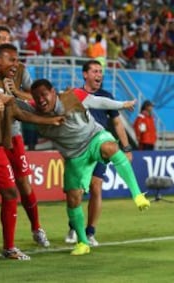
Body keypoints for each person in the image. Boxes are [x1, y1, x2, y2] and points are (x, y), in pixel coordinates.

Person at [30, 79, 150, 255]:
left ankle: (138, 195)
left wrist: (123, 104)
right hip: (74, 157)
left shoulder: (72, 97)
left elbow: (98, 101)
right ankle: (82, 242)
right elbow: (18, 106)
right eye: (37, 96)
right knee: (73, 198)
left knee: (109, 149)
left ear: (53, 92)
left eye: (44, 94)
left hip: (94, 137)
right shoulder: (33, 112)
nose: (41, 99)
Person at [0, 26, 50, 247]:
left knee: (23, 182)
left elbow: (34, 98)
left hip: (13, 135)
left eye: (7, 39)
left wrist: (14, 92)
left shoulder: (20, 70)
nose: (3, 43)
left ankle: (36, 227)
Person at [65, 59, 133, 246]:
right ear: (85, 74)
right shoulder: (75, 95)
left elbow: (117, 123)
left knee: (96, 187)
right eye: (95, 71)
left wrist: (126, 148)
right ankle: (73, 227)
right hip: (79, 149)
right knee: (76, 191)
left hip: (100, 148)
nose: (99, 75)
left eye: (100, 72)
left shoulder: (107, 96)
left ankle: (90, 231)